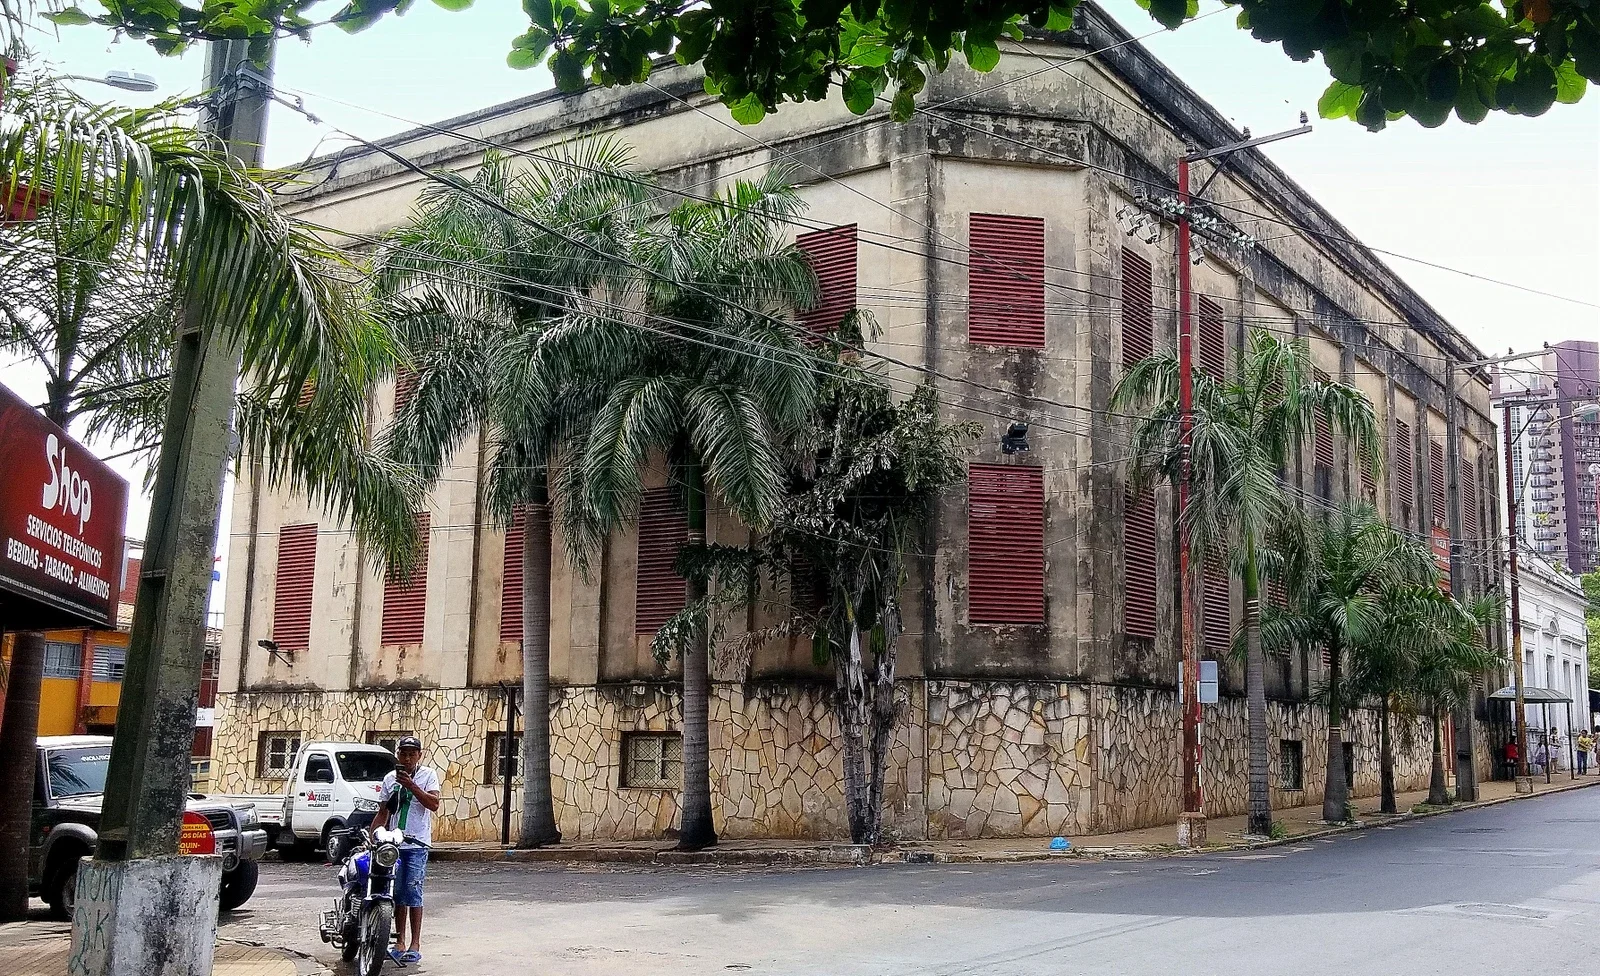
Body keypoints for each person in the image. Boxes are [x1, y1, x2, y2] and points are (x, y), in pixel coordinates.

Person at [372, 735, 441, 967]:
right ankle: (399, 942)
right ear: (398, 755)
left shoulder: (428, 775)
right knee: (396, 892)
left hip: (417, 844)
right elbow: (383, 812)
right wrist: (373, 836)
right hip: (394, 845)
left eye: (412, 754)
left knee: (413, 892)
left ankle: (415, 943)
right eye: (403, 753)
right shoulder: (390, 779)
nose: (408, 758)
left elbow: (433, 804)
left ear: (419, 756)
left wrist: (411, 785)